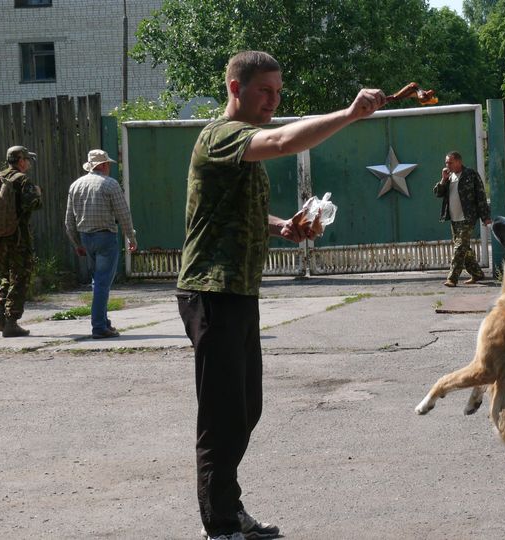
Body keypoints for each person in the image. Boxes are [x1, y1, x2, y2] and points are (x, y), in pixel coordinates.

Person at [175, 50, 386, 540]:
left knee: (246, 408)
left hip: (237, 292)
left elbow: (230, 208)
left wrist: (282, 226)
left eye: (278, 92)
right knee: (223, 414)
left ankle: (229, 507)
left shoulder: (242, 144)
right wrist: (351, 114)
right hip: (210, 290)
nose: (273, 100)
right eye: (265, 91)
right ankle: (221, 523)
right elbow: (286, 141)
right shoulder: (222, 136)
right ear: (235, 88)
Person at [64, 149, 138, 339]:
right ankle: (99, 327)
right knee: (103, 283)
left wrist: (76, 243)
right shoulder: (110, 185)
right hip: (105, 238)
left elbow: (69, 220)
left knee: (97, 281)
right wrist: (131, 237)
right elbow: (123, 214)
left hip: (85, 237)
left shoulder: (76, 186)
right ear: (103, 165)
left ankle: (103, 321)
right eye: (108, 164)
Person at [0, 146, 42, 337]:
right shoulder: (22, 180)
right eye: (27, 160)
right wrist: (37, 193)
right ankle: (11, 321)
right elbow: (32, 204)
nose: (28, 163)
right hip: (18, 237)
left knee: (6, 275)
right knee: (20, 277)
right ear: (21, 161)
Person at [433, 151, 492, 287]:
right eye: (446, 162)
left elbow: (481, 196)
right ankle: (477, 273)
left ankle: (452, 278)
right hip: (454, 219)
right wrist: (443, 179)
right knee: (464, 248)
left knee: (459, 247)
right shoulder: (449, 177)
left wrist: (485, 217)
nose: (447, 165)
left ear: (459, 162)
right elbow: (437, 193)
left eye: (450, 162)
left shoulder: (470, 175)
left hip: (468, 217)